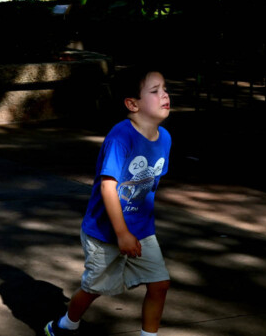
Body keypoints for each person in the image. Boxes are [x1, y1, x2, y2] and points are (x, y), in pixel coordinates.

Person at [45, 65, 171, 336]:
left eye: (165, 89)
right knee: (94, 288)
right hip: (104, 232)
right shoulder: (120, 137)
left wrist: (135, 229)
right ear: (132, 104)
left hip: (141, 231)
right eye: (155, 90)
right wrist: (122, 233)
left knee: (159, 283)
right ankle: (65, 325)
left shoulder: (165, 139)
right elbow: (108, 188)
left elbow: (149, 188)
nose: (165, 95)